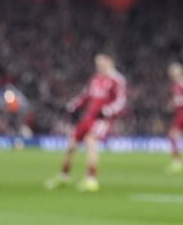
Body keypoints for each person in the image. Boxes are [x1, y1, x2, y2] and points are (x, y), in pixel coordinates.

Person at [45, 53, 126, 193]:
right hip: (88, 117)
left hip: (101, 119)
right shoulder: (95, 79)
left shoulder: (117, 80)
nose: (99, 66)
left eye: (102, 63)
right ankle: (64, 176)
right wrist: (72, 106)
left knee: (90, 141)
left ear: (110, 62)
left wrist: (107, 111)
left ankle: (91, 179)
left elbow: (121, 101)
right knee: (71, 145)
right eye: (97, 64)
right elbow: (86, 95)